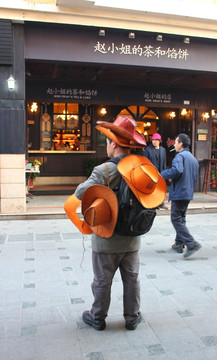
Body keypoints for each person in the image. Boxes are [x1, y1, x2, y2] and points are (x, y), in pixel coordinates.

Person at [66, 115, 147, 331]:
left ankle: (98, 317)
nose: (106, 145)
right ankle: (132, 317)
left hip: (106, 238)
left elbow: (81, 193)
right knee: (132, 279)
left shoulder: (104, 170)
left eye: (107, 141)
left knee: (102, 280)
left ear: (113, 143)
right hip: (132, 237)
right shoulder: (139, 167)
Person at [161, 133, 202, 258]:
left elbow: (177, 170)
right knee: (181, 218)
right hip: (188, 192)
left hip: (179, 192)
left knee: (176, 218)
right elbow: (194, 177)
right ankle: (178, 243)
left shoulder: (179, 157)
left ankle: (191, 243)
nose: (174, 144)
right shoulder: (193, 159)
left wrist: (162, 174)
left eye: (176, 142)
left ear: (181, 144)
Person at [143, 133, 167, 209]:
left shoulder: (163, 150)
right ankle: (153, 204)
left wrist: (164, 172)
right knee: (152, 189)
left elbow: (164, 162)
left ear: (159, 141)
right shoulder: (148, 149)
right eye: (153, 140)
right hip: (151, 172)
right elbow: (145, 161)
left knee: (161, 188)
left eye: (156, 140)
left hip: (161, 172)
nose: (154, 142)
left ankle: (161, 203)